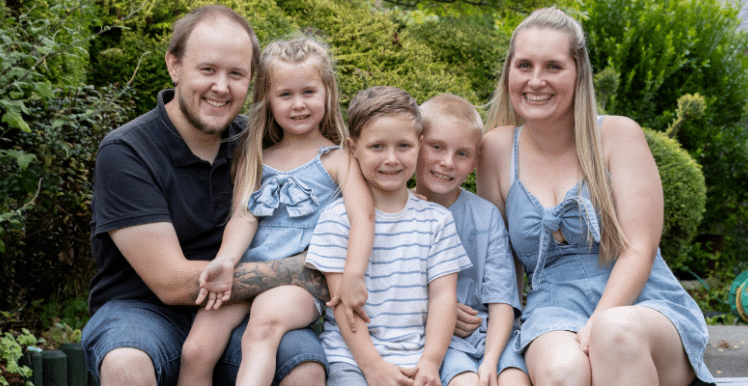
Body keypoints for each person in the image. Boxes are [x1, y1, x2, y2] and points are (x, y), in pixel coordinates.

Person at [82, 6, 334, 386]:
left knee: (303, 368)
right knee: (125, 363)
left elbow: (368, 189)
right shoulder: (128, 152)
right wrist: (311, 271)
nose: (221, 87)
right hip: (143, 309)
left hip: (244, 311)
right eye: (207, 70)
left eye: (236, 74)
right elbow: (172, 283)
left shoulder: (260, 143)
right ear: (174, 66)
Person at [478, 7, 715, 386]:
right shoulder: (496, 150)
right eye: (524, 65)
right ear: (509, 71)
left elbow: (640, 247)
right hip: (552, 306)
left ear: (578, 73)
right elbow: (497, 261)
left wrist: (596, 324)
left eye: (553, 66)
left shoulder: (619, 136)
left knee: (614, 332)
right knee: (562, 372)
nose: (535, 80)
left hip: (640, 301)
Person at [177, 36, 374, 386]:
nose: (298, 104)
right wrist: (225, 261)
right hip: (249, 269)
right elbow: (243, 216)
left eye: (308, 92)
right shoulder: (257, 157)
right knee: (196, 350)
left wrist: (353, 274)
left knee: (263, 326)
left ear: (327, 92)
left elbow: (364, 217)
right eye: (285, 95)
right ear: (267, 99)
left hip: (303, 285)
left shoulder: (339, 159)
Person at [306, 86, 471, 386]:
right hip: (352, 359)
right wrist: (372, 367)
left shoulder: (437, 221)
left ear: (420, 144)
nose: (391, 159)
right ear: (353, 147)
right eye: (377, 147)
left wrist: (431, 362)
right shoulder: (337, 219)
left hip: (419, 359)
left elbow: (443, 297)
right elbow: (343, 303)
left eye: (403, 146)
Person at [414, 94, 531, 386]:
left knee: (514, 381)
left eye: (462, 154)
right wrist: (439, 311)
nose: (447, 162)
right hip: (441, 341)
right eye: (437, 147)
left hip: (495, 336)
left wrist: (491, 360)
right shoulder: (394, 211)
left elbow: (502, 299)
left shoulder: (486, 216)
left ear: (475, 161)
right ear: (415, 143)